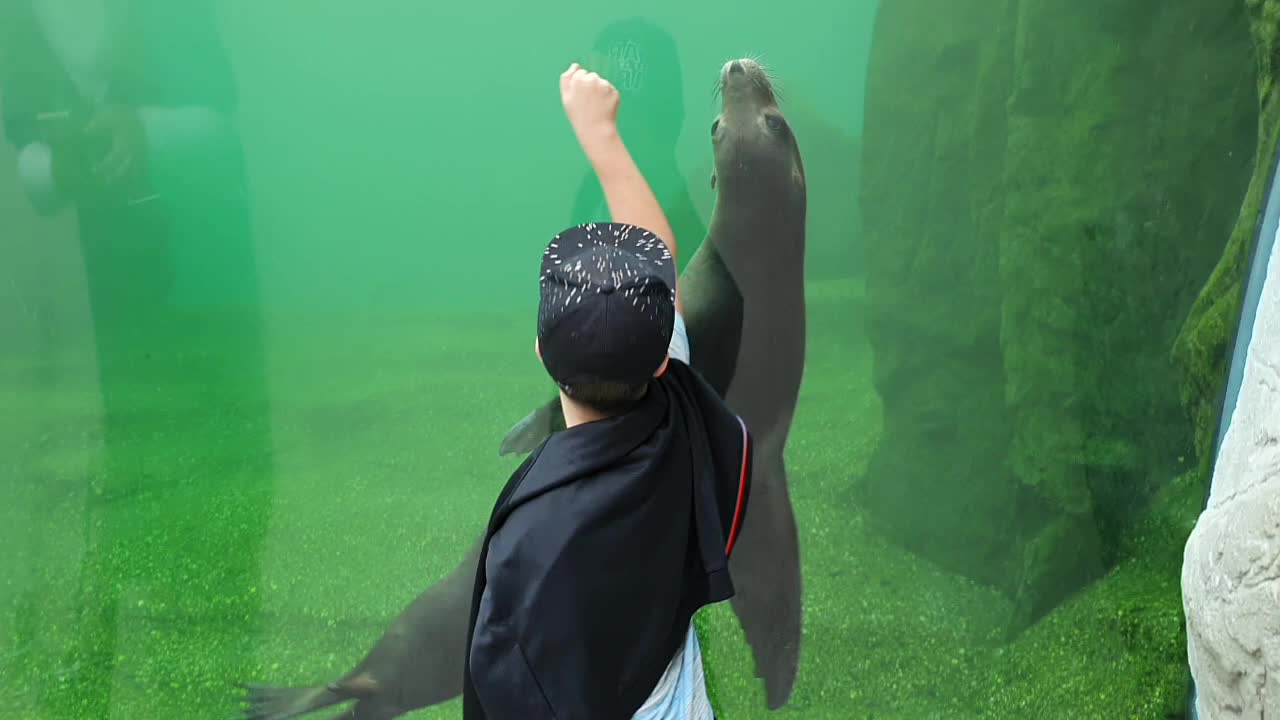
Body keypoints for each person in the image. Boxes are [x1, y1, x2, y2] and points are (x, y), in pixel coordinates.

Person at [459, 63, 754, 719]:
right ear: (659, 358)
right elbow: (662, 258)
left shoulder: (537, 536)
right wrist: (603, 136)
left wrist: (593, 131)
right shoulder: (681, 411)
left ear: (542, 355)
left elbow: (513, 676)